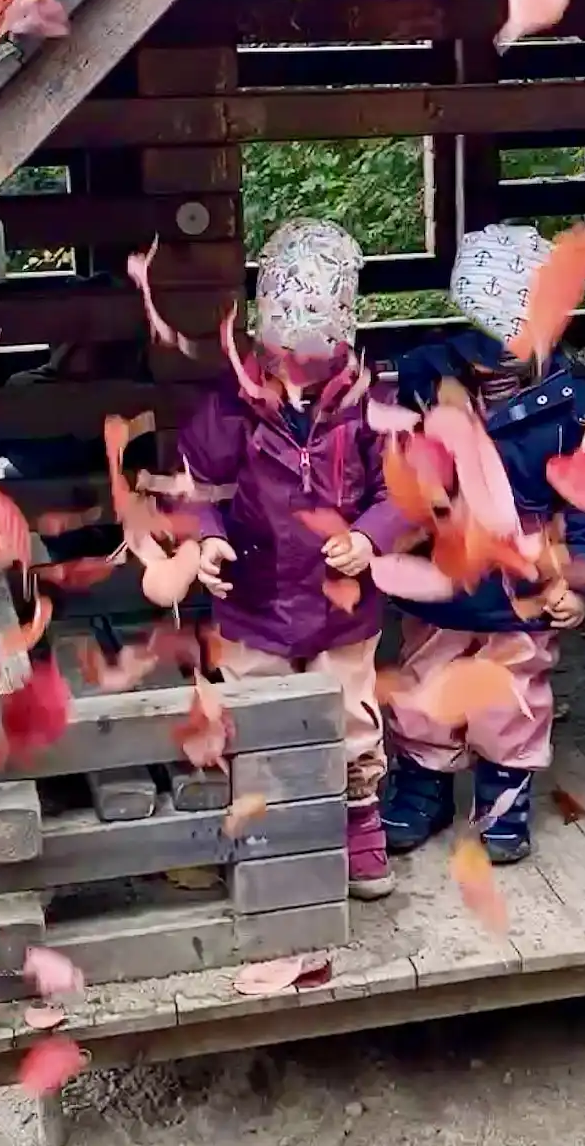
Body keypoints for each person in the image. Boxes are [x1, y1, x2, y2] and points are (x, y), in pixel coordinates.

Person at [376, 226, 585, 864]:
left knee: (514, 693)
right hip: (442, 576)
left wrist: (583, 573)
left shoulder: (576, 403)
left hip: (526, 585)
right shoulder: (425, 377)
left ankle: (504, 797)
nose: (495, 355)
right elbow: (393, 466)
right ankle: (422, 789)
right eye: (485, 335)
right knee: (427, 684)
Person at [176, 218, 403, 898]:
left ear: (342, 332)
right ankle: (264, 828)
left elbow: (403, 489)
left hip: (342, 604)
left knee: (353, 716)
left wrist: (370, 537)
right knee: (255, 713)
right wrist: (207, 537)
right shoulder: (233, 402)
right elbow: (196, 484)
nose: (298, 363)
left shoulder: (372, 401)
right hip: (255, 599)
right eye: (284, 345)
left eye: (315, 346)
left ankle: (359, 828)